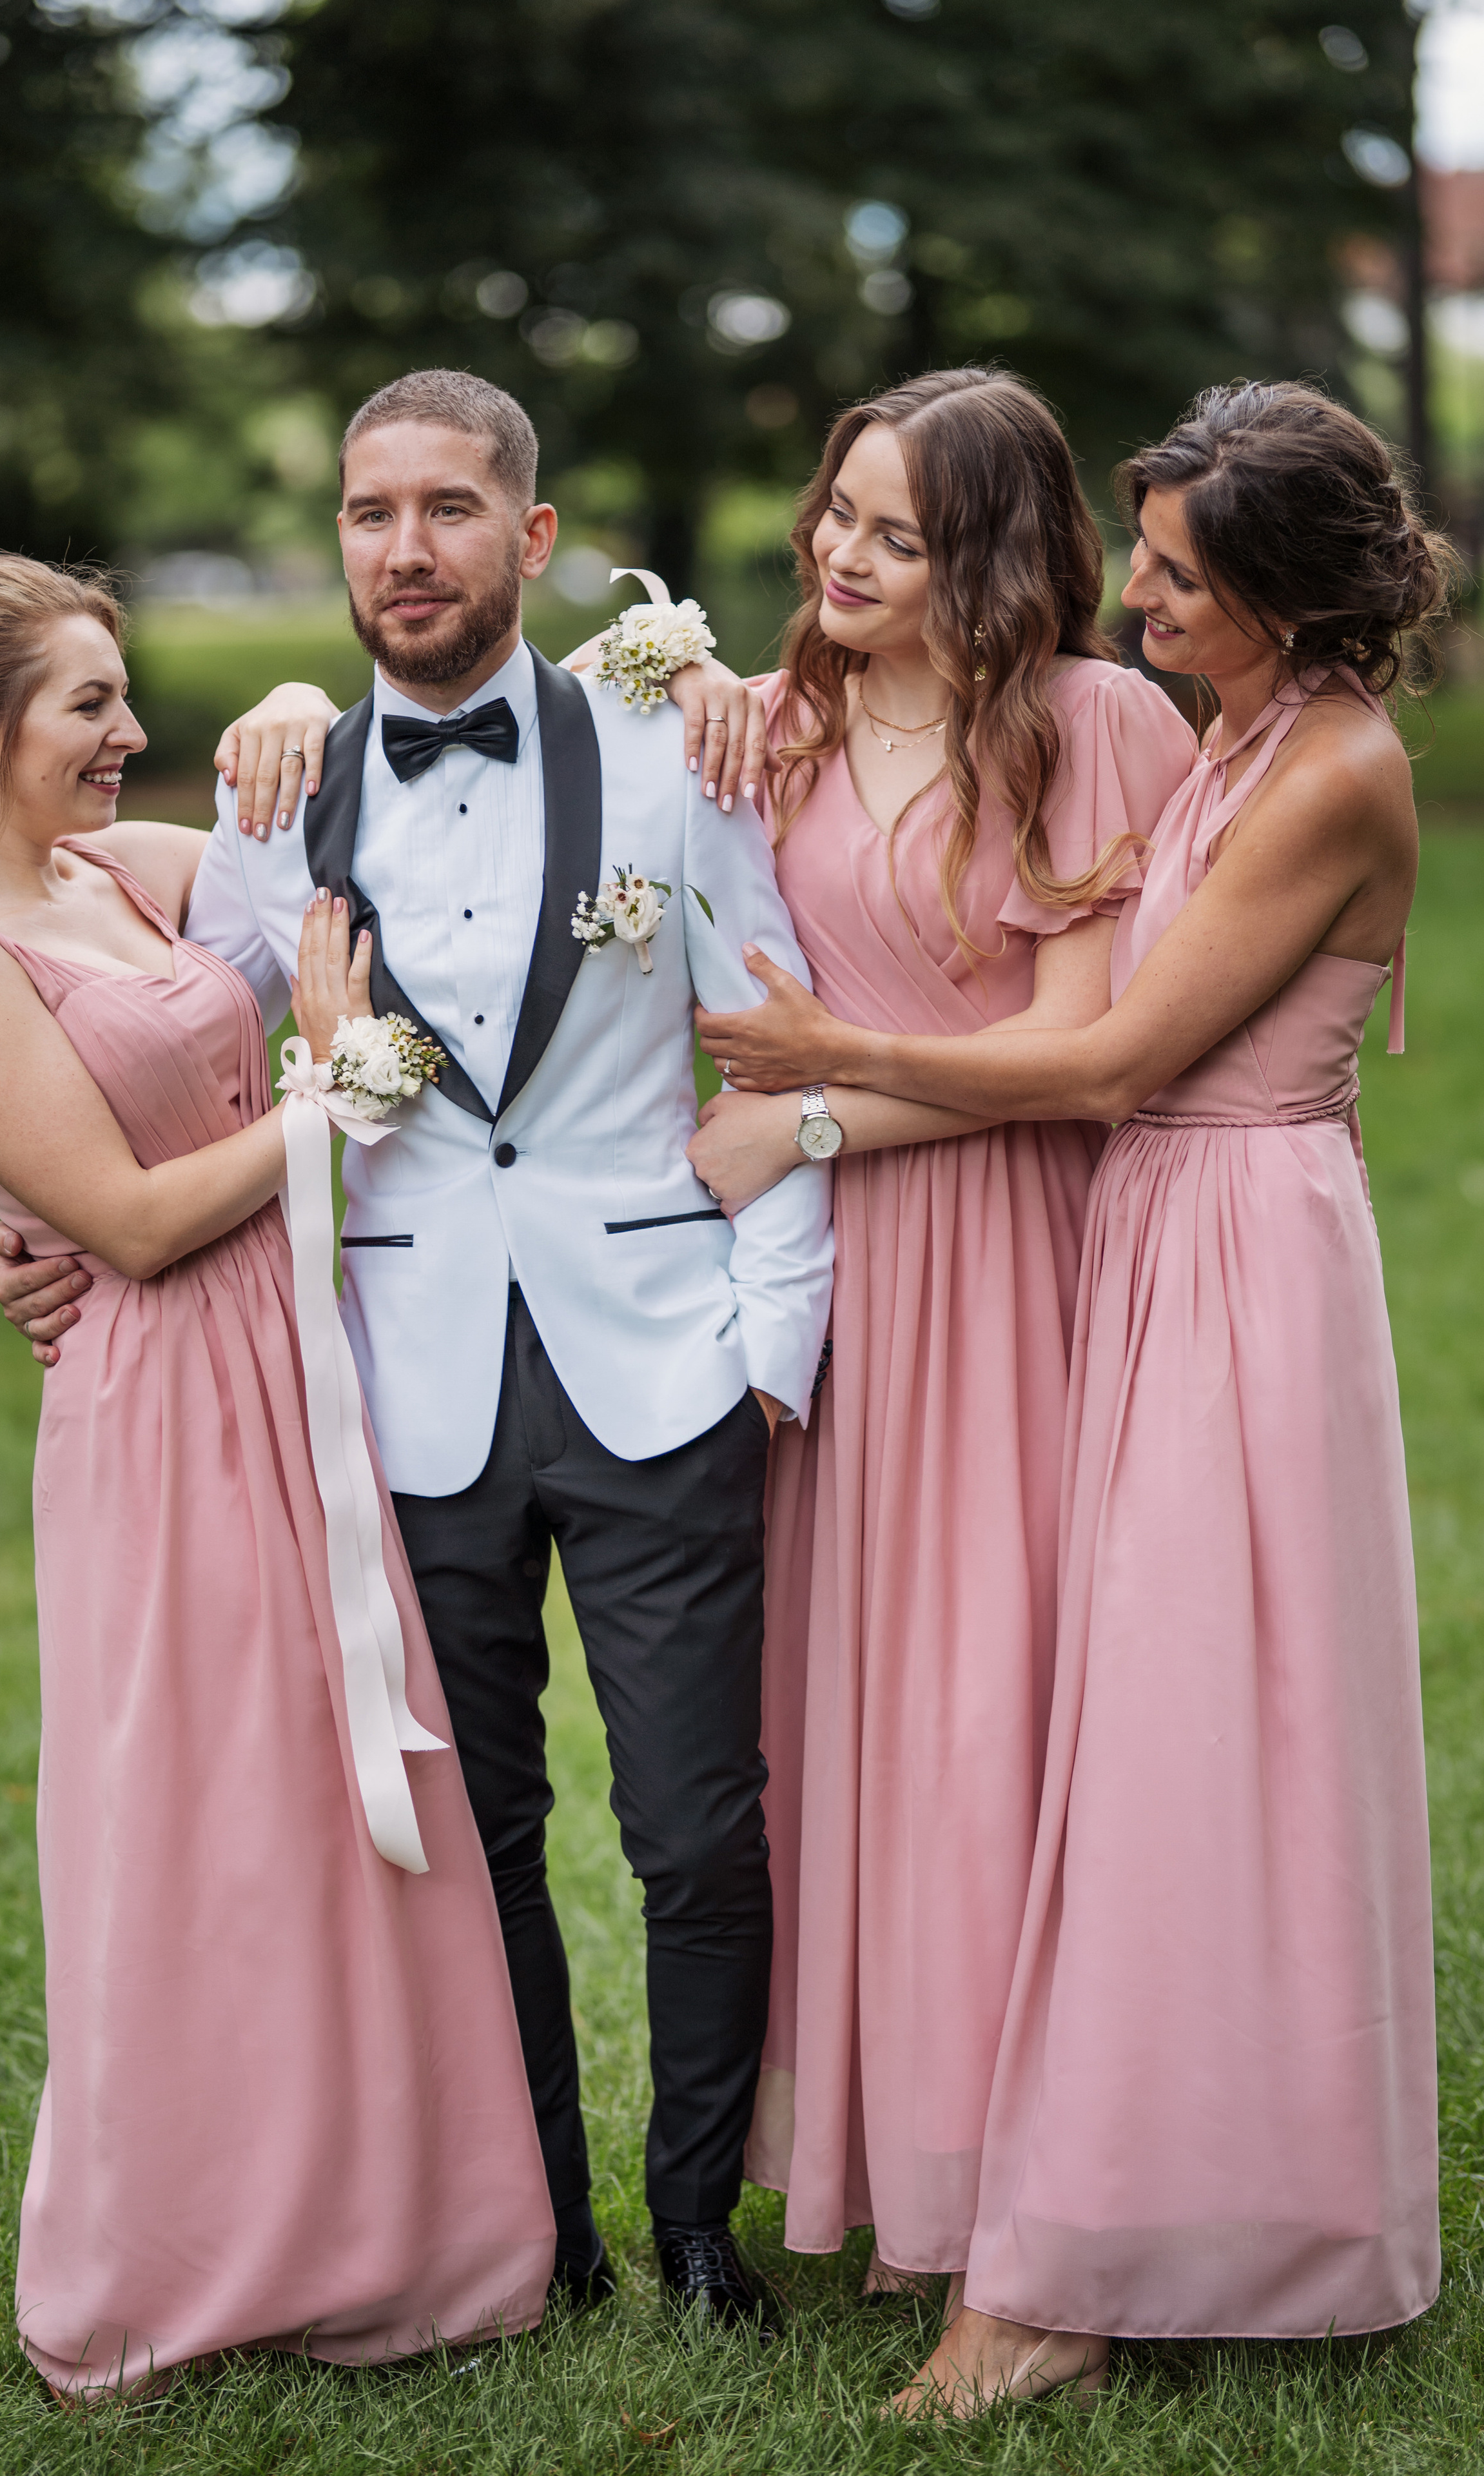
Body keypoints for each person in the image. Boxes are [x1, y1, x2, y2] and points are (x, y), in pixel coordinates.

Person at [0, 370, 835, 2334]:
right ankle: (535, 2226)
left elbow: (773, 1032)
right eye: (372, 514)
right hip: (390, 1374)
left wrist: (770, 1332)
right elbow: (167, 1055)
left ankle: (701, 2222)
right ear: (341, 538)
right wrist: (36, 1228)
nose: (405, 550)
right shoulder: (283, 791)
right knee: (472, 1846)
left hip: (659, 1355)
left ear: (530, 540)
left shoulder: (665, 751)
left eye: (450, 510)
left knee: (699, 1826)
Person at [696, 378, 1449, 2410]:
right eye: (1145, 556)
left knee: (1170, 1748)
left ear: (1287, 598)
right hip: (1147, 1235)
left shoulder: (1331, 770)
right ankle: (1104, 2201)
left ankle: (1064, 2276)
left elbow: (1113, 1063)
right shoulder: (1233, 727)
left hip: (1230, 1247)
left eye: (1187, 577)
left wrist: (816, 1071)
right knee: (1143, 1742)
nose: (1141, 602)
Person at [0, 553, 556, 2399]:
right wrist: (332, 1089)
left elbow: (305, 833)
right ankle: (179, 2254)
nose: (128, 732)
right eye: (89, 704)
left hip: (295, 1371)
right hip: (165, 1414)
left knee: (337, 1807)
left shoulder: (111, 873)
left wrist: (299, 709)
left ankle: (392, 2231)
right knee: (201, 1832)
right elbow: (135, 1227)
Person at [676, 371, 1198, 2308]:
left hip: (1016, 1263)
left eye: (895, 535)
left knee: (996, 1709)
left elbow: (1073, 1069)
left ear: (985, 552)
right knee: (847, 1718)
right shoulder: (777, 726)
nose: (841, 556)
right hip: (832, 1292)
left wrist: (808, 1112)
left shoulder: (1092, 720)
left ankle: (1027, 2169)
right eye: (835, 515)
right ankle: (887, 2159)